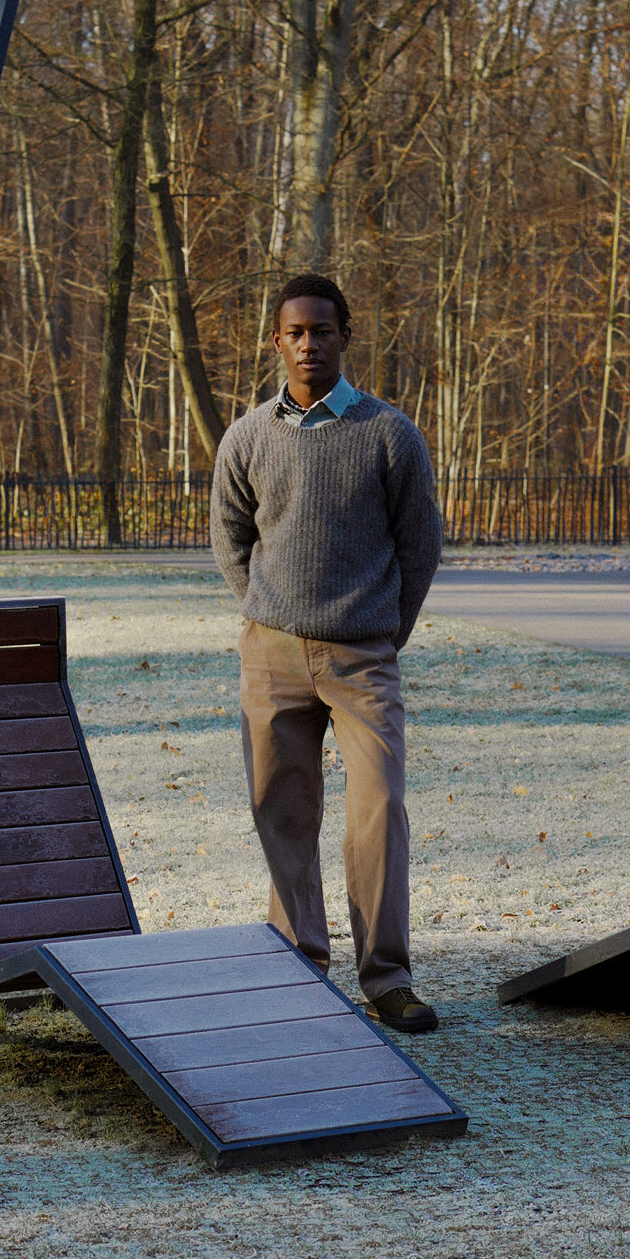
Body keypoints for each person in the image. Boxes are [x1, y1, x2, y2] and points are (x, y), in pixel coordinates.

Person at [210, 272, 444, 1032]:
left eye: (323, 329)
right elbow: (231, 540)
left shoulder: (388, 434)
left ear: (346, 335)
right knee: (282, 811)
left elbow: (420, 548)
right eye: (295, 331)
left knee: (377, 807)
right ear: (277, 341)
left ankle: (387, 979)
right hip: (271, 654)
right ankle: (299, 969)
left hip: (362, 658)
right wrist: (270, 616)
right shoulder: (247, 437)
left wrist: (381, 630)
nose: (309, 343)